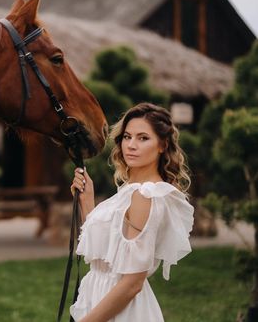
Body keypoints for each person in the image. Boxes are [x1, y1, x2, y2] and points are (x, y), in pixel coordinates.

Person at [69, 102, 194, 322]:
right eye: (127, 137)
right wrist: (86, 199)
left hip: (121, 311)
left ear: (162, 145)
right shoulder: (130, 191)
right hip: (101, 301)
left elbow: (131, 283)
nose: (131, 145)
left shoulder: (146, 196)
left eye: (143, 138)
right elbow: (106, 251)